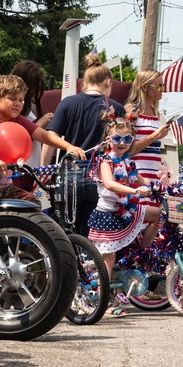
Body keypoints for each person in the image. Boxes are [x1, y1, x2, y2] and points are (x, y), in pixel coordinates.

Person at [43, 53, 125, 236]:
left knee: (68, 232)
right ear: (108, 83)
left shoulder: (68, 103)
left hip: (70, 173)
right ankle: (89, 264)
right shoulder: (116, 108)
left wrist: (45, 170)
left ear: (86, 82)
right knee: (93, 234)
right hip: (101, 175)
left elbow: (50, 137)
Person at [0, 74, 85, 201]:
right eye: (12, 99)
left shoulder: (18, 120)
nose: (17, 104)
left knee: (32, 202)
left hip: (5, 186)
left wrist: (68, 146)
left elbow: (45, 135)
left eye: (21, 100)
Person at [86, 116, 156, 283]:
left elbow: (141, 180)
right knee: (108, 260)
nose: (122, 143)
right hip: (108, 214)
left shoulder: (127, 159)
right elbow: (110, 184)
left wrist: (160, 185)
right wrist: (134, 191)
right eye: (117, 138)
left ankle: (141, 256)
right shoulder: (106, 161)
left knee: (157, 214)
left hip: (127, 209)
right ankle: (104, 298)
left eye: (127, 139)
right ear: (108, 141)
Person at [124, 70, 172, 247]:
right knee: (139, 220)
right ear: (144, 87)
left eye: (163, 85)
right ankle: (136, 259)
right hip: (138, 174)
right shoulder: (131, 112)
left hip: (154, 176)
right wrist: (154, 136)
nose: (162, 90)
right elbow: (127, 151)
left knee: (155, 220)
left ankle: (144, 258)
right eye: (159, 85)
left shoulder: (156, 113)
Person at [10, 60, 53, 194]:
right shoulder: (13, 112)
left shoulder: (30, 108)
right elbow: (15, 141)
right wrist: (40, 124)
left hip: (31, 169)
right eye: (35, 87)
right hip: (19, 170)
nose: (37, 92)